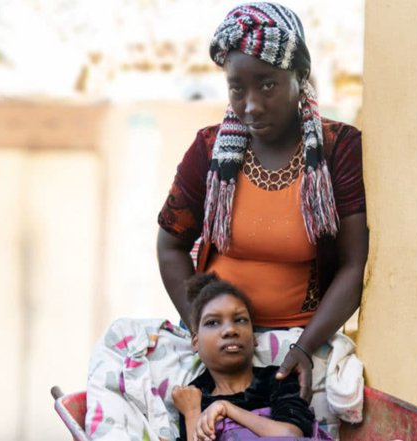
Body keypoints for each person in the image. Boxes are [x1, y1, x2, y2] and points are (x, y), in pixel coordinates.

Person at [157, 2, 368, 401]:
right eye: (238, 88)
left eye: (267, 85)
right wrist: (202, 330)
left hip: (300, 341)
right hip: (219, 345)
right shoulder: (208, 149)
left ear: (300, 75)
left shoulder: (338, 150)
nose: (251, 104)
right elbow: (170, 245)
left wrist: (305, 347)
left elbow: (355, 264)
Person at [172, 273, 332, 441]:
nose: (230, 330)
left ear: (253, 337)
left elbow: (291, 436)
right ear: (195, 342)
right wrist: (191, 414)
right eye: (213, 322)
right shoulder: (194, 397)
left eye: (240, 320)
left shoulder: (278, 379)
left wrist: (227, 409)